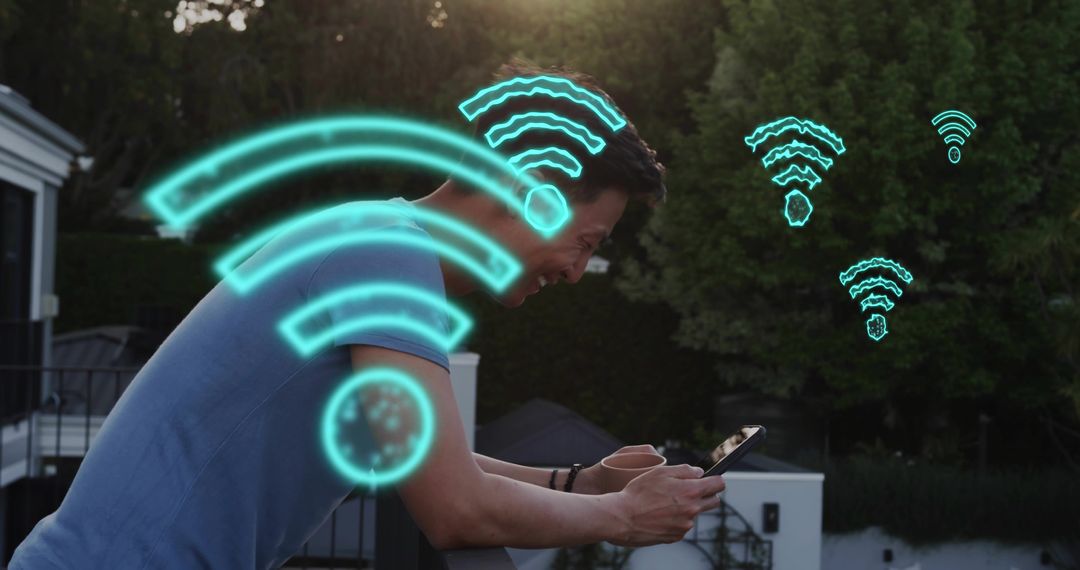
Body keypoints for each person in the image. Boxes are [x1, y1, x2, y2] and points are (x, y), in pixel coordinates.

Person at [10, 60, 725, 569]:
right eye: (584, 242)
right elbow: (455, 511)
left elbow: (426, 461)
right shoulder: (386, 258)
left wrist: (581, 482)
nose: (575, 271)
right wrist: (622, 517)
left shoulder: (376, 239)